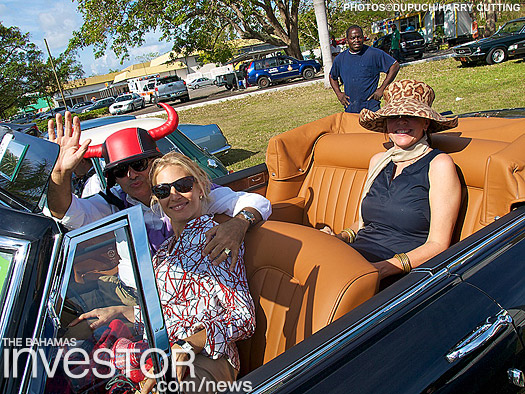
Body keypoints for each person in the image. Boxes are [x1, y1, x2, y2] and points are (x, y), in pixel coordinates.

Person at [71, 152, 256, 393]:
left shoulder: (216, 239)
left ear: (201, 187)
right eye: (162, 191)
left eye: (183, 185)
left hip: (206, 357)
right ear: (156, 200)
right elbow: (170, 312)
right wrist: (122, 311)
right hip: (162, 348)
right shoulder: (165, 251)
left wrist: (189, 345)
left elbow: (243, 318)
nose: (174, 196)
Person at [46, 103, 271, 272]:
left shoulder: (185, 193)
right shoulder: (113, 202)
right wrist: (59, 174)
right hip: (135, 297)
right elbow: (67, 214)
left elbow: (256, 202)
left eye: (138, 164)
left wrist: (239, 224)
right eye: (120, 171)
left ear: (155, 161)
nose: (131, 174)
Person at [322, 79, 461, 280]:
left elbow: (438, 244)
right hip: (357, 258)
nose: (401, 122)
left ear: (426, 122)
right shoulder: (379, 161)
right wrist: (338, 238)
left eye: (410, 116)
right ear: (386, 124)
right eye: (394, 116)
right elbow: (364, 223)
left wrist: (381, 269)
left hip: (399, 270)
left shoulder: (439, 164)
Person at [329, 25, 400, 113]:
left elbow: (395, 66)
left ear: (363, 38)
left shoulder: (374, 53)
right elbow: (332, 76)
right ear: (347, 41)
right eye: (353, 38)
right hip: (351, 109)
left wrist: (382, 89)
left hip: (371, 108)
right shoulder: (340, 59)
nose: (356, 40)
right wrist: (339, 94)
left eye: (359, 37)